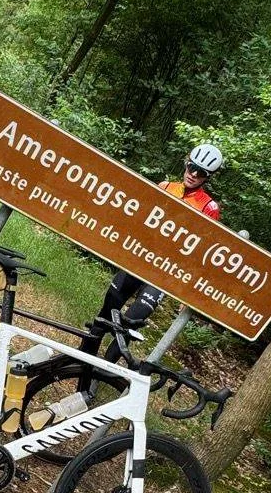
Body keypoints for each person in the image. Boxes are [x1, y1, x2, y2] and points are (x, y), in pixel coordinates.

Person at [78, 143, 225, 361]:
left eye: (201, 173)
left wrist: (187, 288)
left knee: (131, 322)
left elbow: (200, 252)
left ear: (208, 177)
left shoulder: (209, 207)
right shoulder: (165, 187)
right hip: (141, 258)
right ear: (186, 163)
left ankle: (102, 370)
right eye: (191, 167)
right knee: (109, 307)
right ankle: (81, 357)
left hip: (164, 273)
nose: (193, 174)